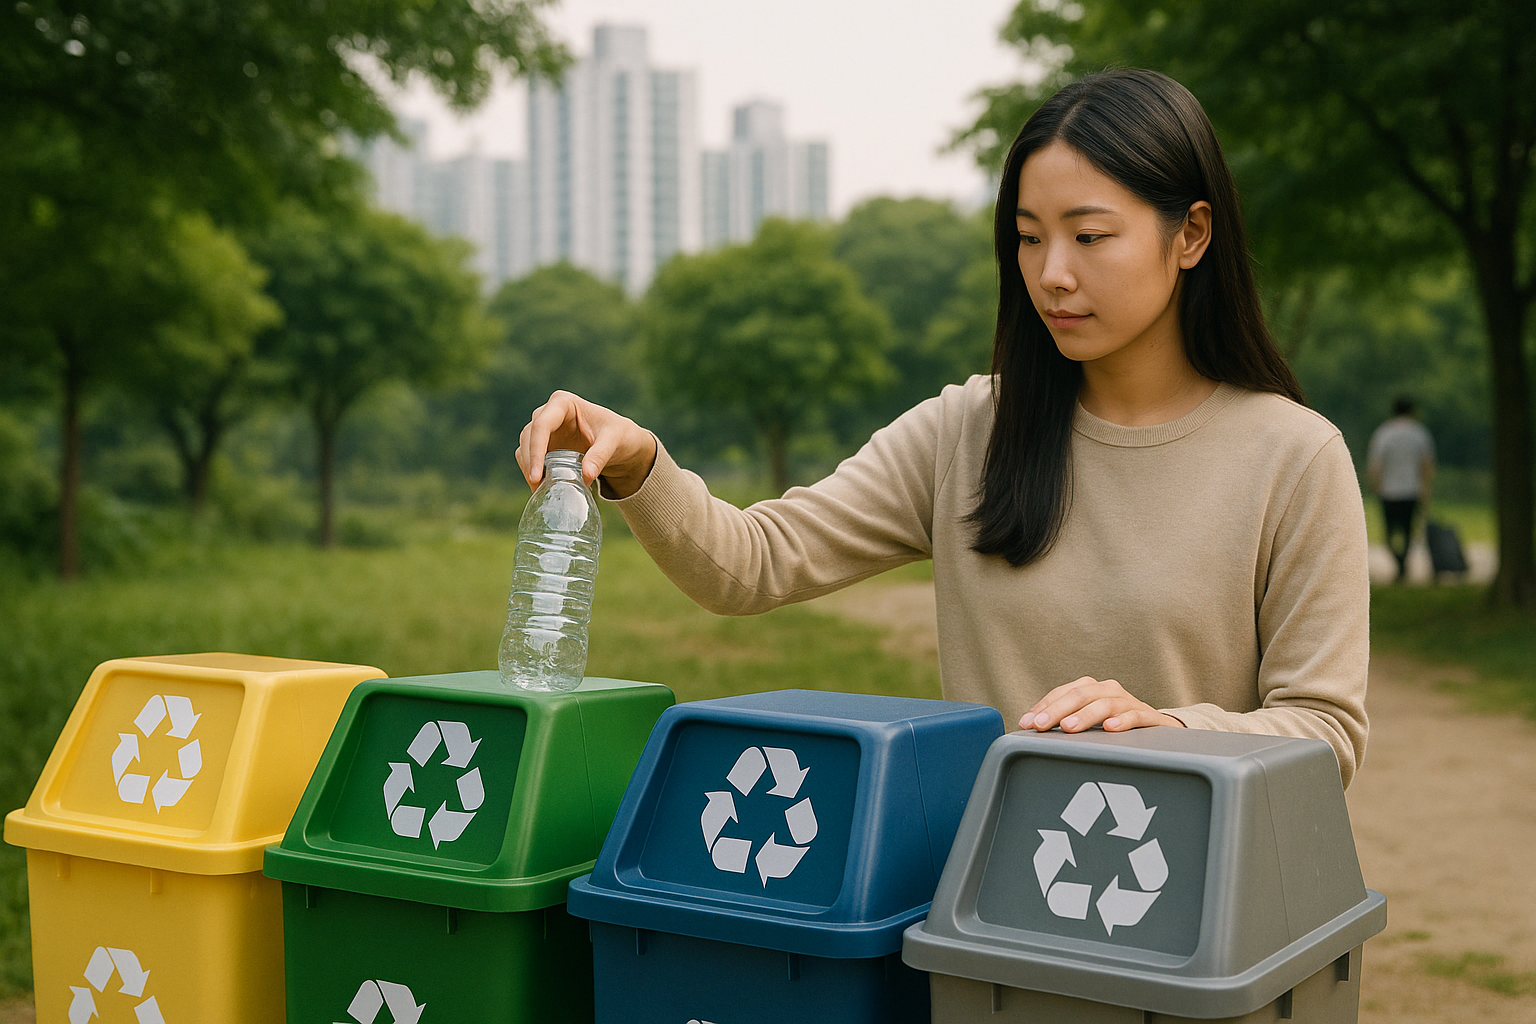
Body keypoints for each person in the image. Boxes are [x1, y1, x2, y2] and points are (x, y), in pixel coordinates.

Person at [516, 69, 1370, 787]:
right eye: (1030, 239)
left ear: (1190, 233)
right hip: (986, 911)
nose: (1053, 275)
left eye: (1090, 235)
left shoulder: (1293, 457)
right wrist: (638, 461)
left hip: (1197, 918)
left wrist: (1170, 729)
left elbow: (1325, 729)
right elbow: (752, 563)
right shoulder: (970, 429)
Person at [1367, 396, 1436, 582]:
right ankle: (1403, 564)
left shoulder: (1384, 433)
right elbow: (1427, 463)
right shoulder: (1419, 433)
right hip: (1411, 490)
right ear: (1412, 411)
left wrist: (1376, 485)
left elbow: (1375, 464)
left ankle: (1399, 564)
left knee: (1389, 533)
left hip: (1389, 491)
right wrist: (1425, 488)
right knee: (1407, 531)